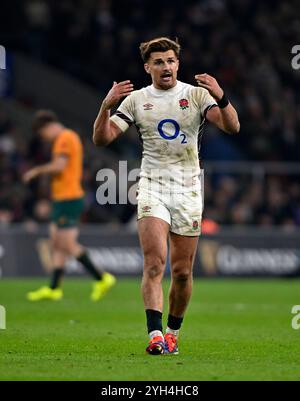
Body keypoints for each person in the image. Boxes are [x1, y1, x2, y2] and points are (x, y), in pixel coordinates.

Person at [93, 37, 240, 355]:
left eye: (171, 61)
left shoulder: (197, 95)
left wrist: (222, 97)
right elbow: (103, 139)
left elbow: (233, 127)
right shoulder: (135, 100)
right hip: (151, 186)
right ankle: (155, 335)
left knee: (183, 271)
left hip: (188, 190)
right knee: (154, 264)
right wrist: (105, 106)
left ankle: (173, 332)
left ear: (178, 64)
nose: (166, 67)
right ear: (148, 67)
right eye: (158, 62)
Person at [23, 110, 116, 301]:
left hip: (69, 198)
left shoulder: (64, 137)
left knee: (66, 243)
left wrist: (36, 171)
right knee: (56, 241)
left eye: (43, 135)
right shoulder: (67, 137)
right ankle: (54, 288)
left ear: (47, 127)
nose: (45, 139)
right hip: (62, 198)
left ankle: (102, 277)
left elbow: (59, 166)